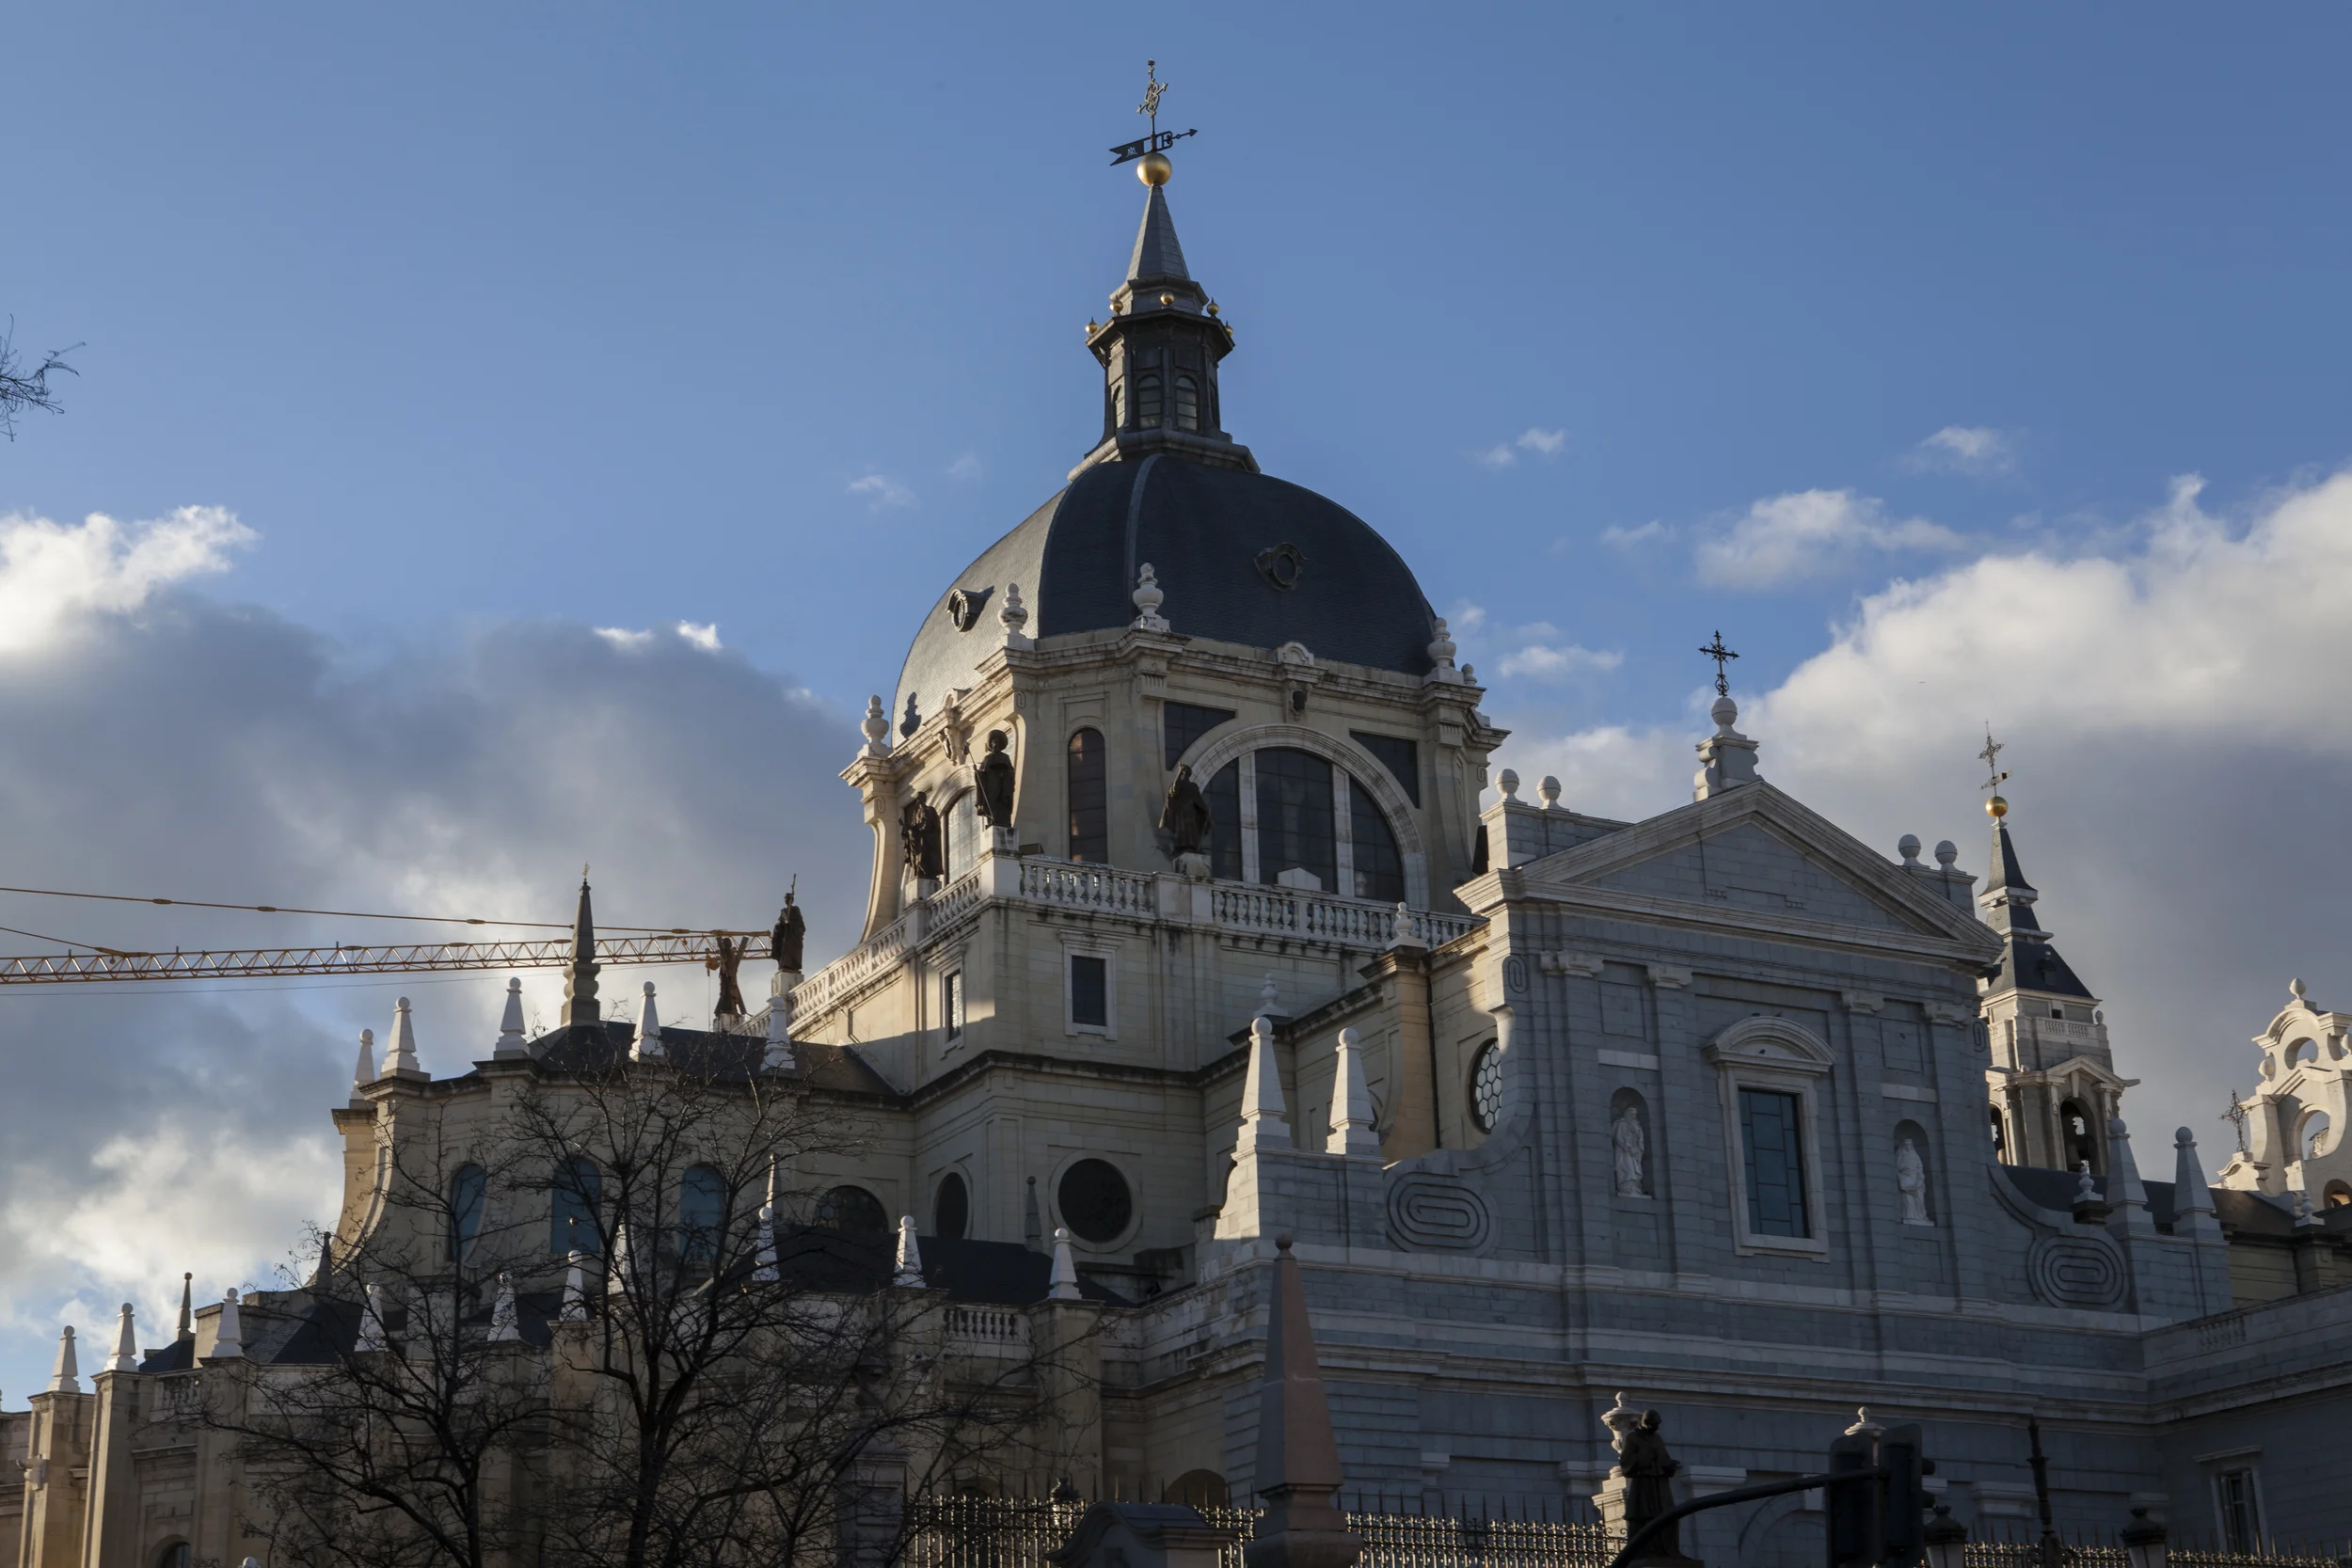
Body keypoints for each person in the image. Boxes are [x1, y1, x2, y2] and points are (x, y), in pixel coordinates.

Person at [1159, 763, 1214, 857]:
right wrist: (1179, 772)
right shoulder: (1179, 784)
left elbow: (1198, 799)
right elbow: (1175, 790)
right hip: (1181, 811)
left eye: (1184, 773)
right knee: (1183, 830)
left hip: (1189, 811)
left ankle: (1191, 847)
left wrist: (1205, 809)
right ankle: (1182, 847)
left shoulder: (1193, 786)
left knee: (1190, 830)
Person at [974, 730, 1016, 829]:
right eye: (994, 742)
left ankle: (1003, 821)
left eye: (997, 743)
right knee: (991, 803)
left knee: (1001, 803)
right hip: (991, 785)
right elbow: (982, 774)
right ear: (991, 744)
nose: (996, 744)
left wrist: (1004, 773)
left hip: (1002, 784)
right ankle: (992, 820)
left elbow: (1010, 771)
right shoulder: (987, 758)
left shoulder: (1005, 757)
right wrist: (977, 773)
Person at [771, 889, 805, 974]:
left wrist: (790, 924)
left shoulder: (796, 910)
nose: (787, 900)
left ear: (792, 900)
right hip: (785, 935)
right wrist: (779, 926)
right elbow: (780, 924)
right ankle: (784, 965)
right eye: (786, 899)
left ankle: (792, 966)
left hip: (793, 936)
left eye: (789, 899)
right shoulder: (783, 912)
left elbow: (800, 924)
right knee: (784, 950)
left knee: (791, 950)